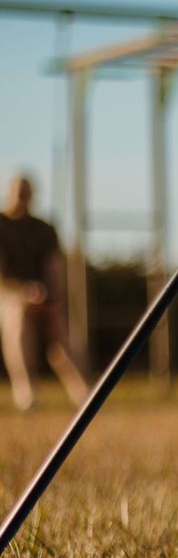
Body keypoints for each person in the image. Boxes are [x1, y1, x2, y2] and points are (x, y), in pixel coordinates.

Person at [0, 173, 88, 411]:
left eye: (26, 194)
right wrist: (23, 293)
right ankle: (26, 391)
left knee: (61, 328)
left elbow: (55, 267)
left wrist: (51, 294)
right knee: (18, 322)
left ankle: (82, 393)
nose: (22, 198)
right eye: (18, 193)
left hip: (44, 295)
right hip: (11, 297)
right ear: (9, 193)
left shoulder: (45, 229)